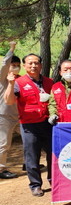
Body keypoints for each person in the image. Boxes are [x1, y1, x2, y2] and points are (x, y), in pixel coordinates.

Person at [3, 53, 53, 196]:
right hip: (29, 125)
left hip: (48, 123)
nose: (33, 65)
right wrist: (11, 84)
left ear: (41, 65)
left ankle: (54, 180)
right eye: (30, 63)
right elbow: (9, 101)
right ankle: (35, 185)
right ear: (24, 66)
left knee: (53, 154)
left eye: (36, 63)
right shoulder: (19, 82)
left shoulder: (49, 82)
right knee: (32, 156)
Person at [0, 41, 21, 179]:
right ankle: (1, 169)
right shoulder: (2, 79)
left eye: (18, 65)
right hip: (4, 116)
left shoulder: (19, 80)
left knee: (30, 140)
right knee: (3, 144)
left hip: (19, 116)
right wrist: (11, 49)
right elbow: (4, 64)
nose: (16, 67)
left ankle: (29, 163)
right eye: (13, 65)